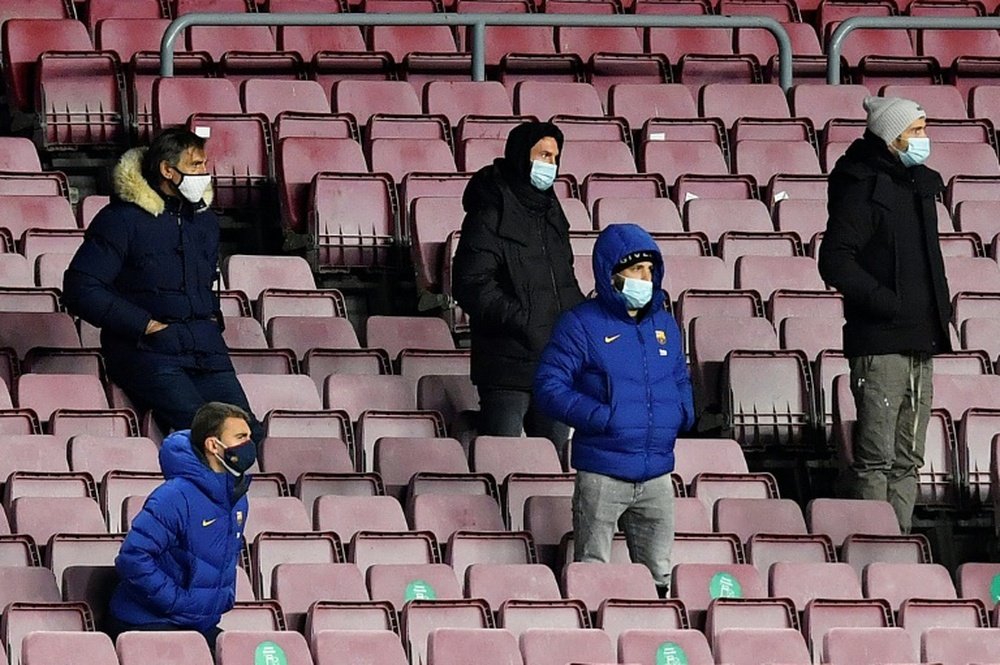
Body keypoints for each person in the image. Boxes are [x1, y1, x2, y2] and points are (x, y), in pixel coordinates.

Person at [62, 128, 262, 442]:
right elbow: (81, 287)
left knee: (247, 433)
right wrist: (148, 326)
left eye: (204, 164)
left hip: (206, 348)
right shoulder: (120, 220)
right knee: (210, 434)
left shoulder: (205, 222)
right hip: (146, 351)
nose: (204, 173)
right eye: (195, 165)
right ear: (167, 170)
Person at [533, 223, 694, 592]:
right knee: (592, 573)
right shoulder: (580, 324)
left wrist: (683, 412)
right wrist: (601, 417)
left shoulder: (665, 325)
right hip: (603, 474)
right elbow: (548, 385)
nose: (645, 278)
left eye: (650, 270)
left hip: (657, 475)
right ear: (611, 273)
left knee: (659, 578)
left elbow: (680, 377)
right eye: (636, 269)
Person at [819, 96, 952, 532]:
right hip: (880, 344)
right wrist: (887, 303)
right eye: (916, 130)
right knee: (876, 459)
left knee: (908, 459)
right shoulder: (863, 185)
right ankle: (873, 545)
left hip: (920, 340)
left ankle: (900, 547)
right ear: (891, 136)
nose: (924, 138)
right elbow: (835, 260)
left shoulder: (918, 184)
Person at [453, 121, 584, 458]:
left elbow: (563, 279)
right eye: (543, 155)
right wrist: (525, 320)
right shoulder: (489, 210)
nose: (550, 165)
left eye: (555, 158)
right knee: (502, 463)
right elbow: (470, 284)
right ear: (521, 156)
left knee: (552, 464)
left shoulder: (551, 210)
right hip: (506, 367)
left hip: (554, 365)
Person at [107, 401, 255, 648]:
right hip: (147, 621)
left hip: (196, 623)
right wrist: (178, 602)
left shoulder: (237, 499)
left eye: (249, 436)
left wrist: (224, 598)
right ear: (212, 445)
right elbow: (133, 557)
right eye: (240, 437)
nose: (249, 444)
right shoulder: (174, 496)